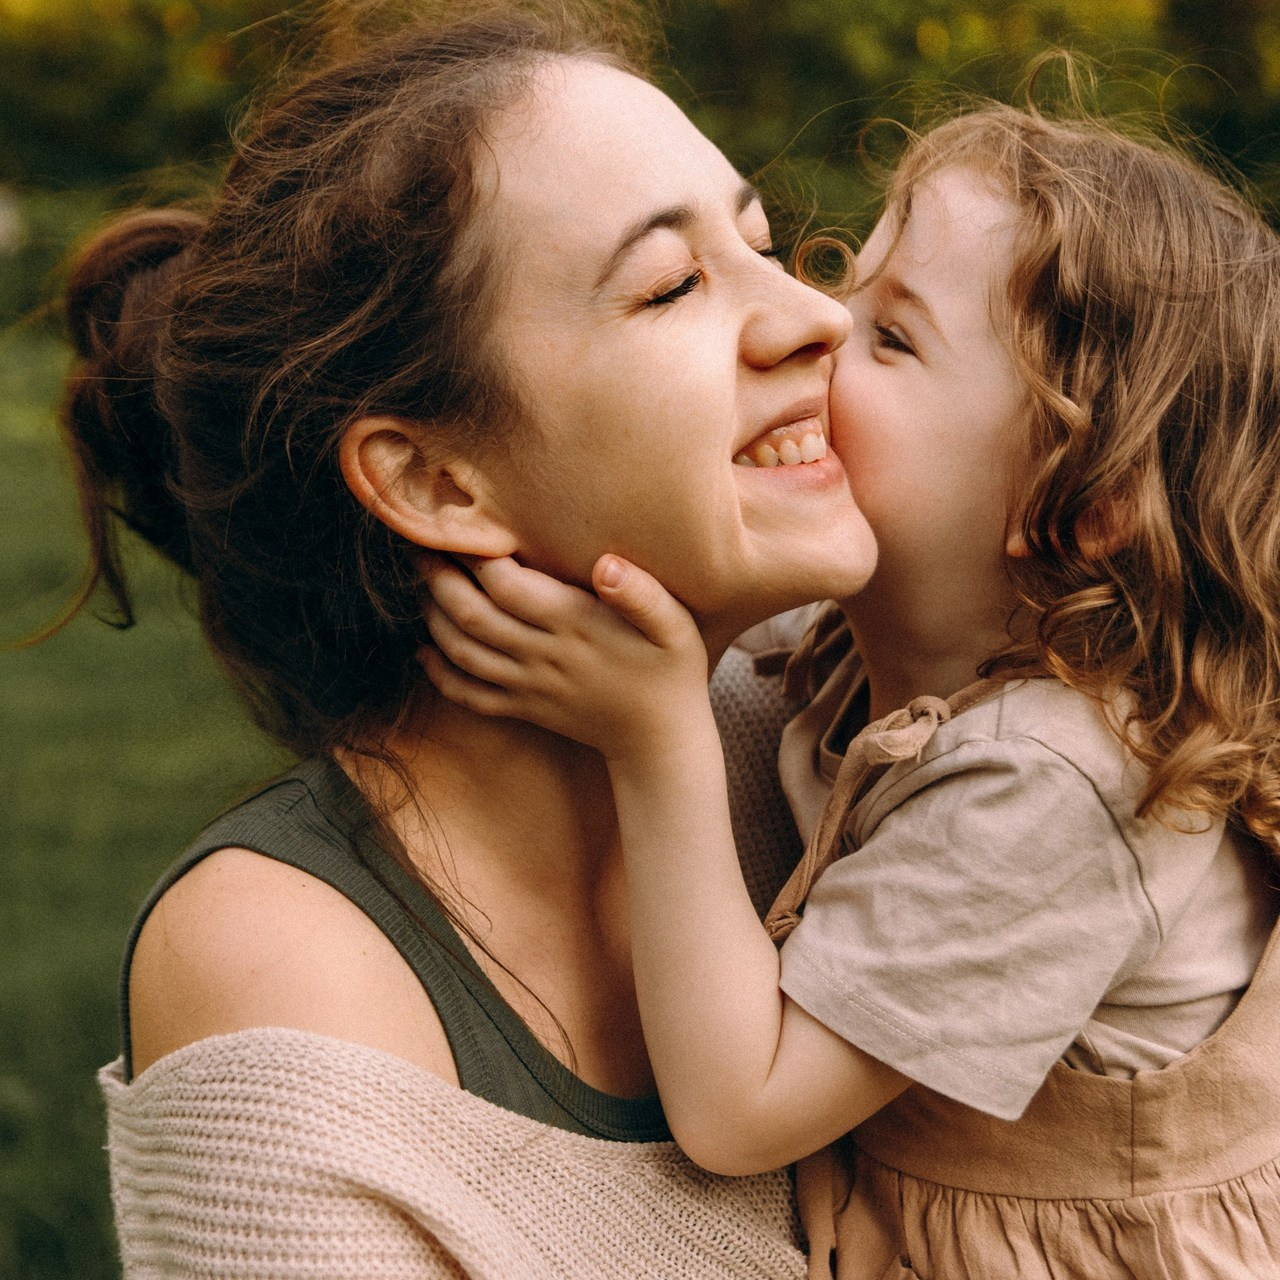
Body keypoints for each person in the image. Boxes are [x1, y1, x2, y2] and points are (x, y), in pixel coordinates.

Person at [58, 3, 883, 1275]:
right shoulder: (288, 972)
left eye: (763, 243)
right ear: (438, 481)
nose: (814, 317)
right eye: (670, 282)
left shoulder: (848, 728)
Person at [418, 101, 1280, 1278]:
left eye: (892, 337)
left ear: (1074, 503)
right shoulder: (863, 638)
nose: (818, 321)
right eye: (848, 285)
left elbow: (738, 1109)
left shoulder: (1055, 778)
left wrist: (656, 732)